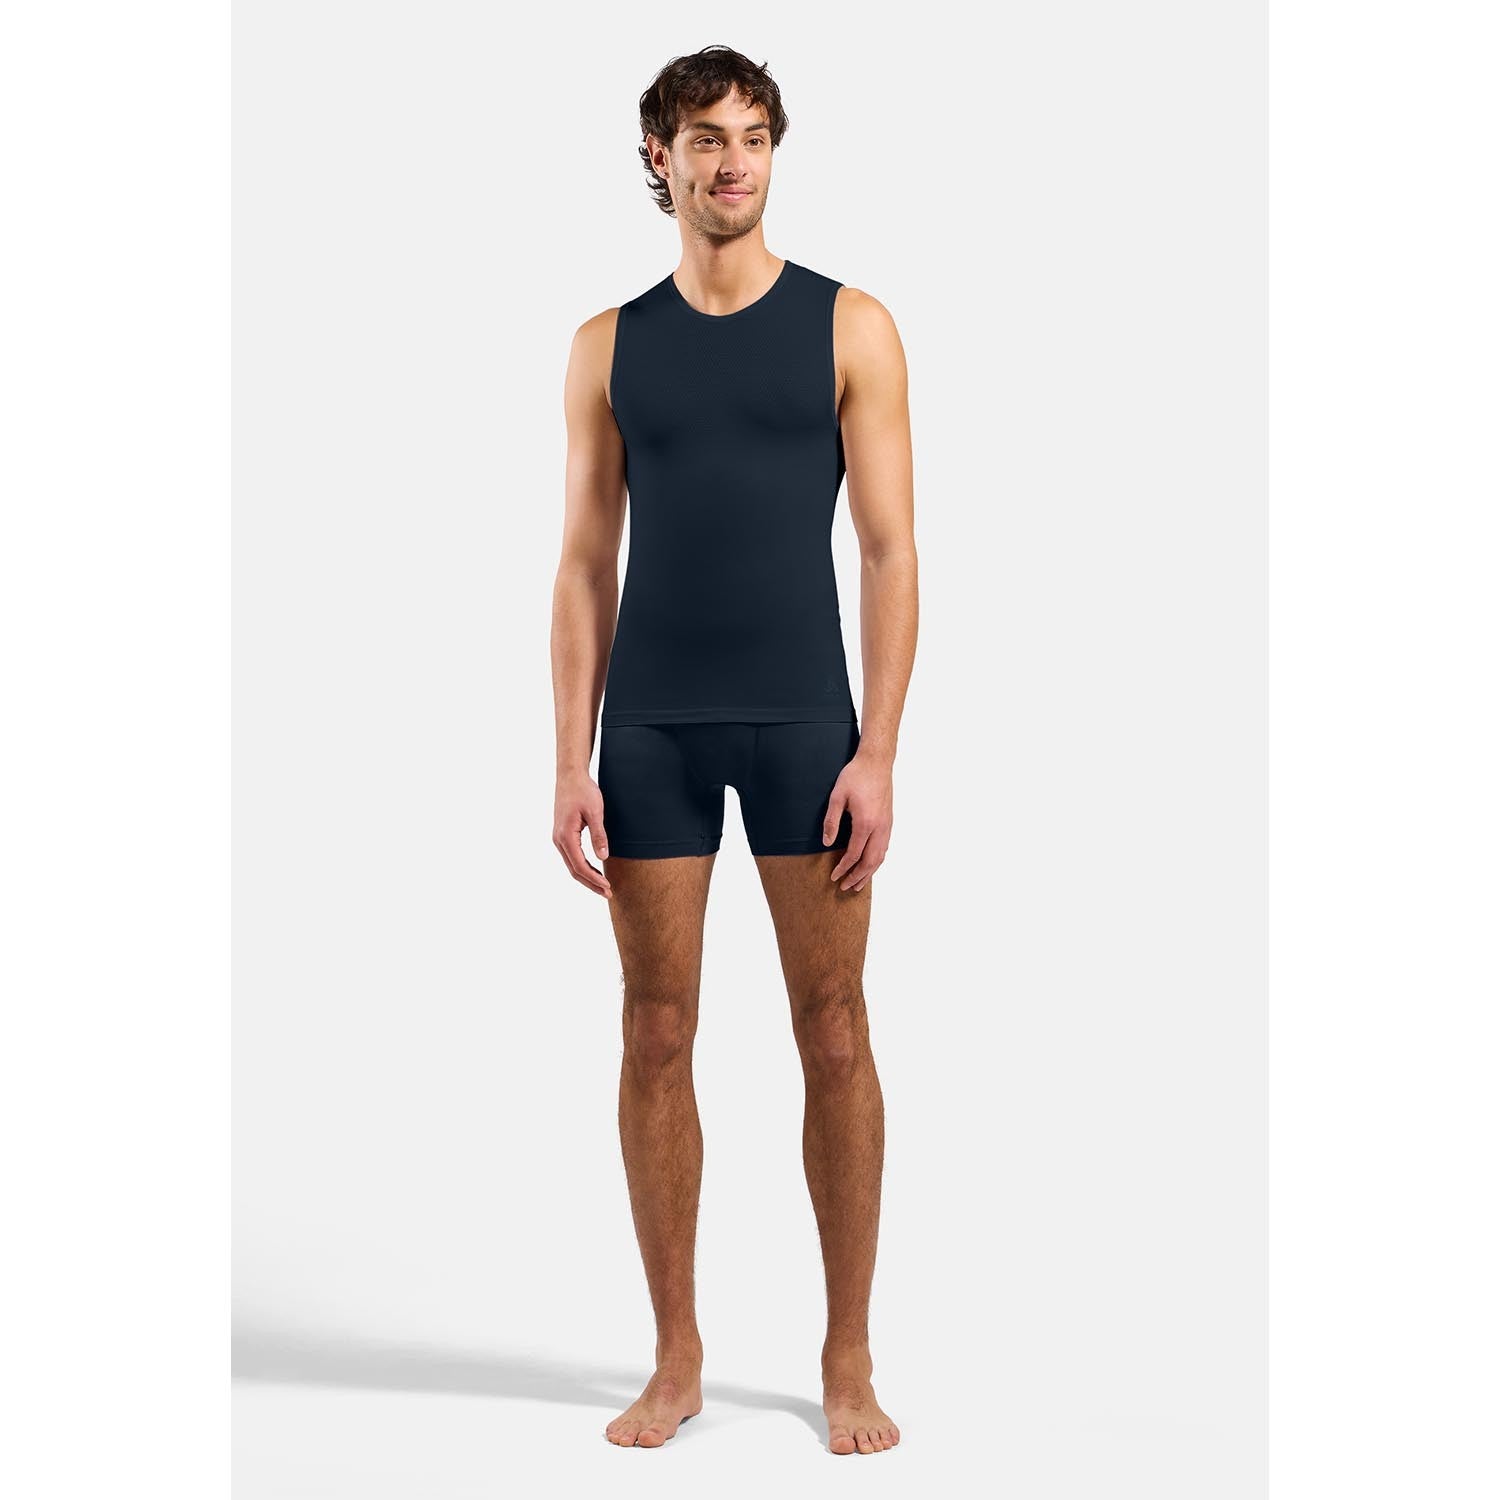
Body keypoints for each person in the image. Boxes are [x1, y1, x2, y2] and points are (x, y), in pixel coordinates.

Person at [550, 44, 917, 1457]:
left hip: (804, 723)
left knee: (835, 1027)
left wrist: (879, 749)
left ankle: (848, 1355)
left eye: (754, 135)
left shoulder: (851, 327)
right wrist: (570, 757)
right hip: (649, 723)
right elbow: (584, 564)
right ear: (660, 159)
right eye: (705, 137)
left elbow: (889, 551)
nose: (733, 161)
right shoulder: (608, 346)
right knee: (655, 1029)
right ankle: (677, 1356)